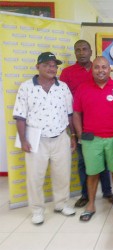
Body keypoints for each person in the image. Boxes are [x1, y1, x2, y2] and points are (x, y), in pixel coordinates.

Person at [13, 52, 76, 225]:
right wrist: (23, 139)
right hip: (36, 138)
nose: (51, 68)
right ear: (38, 67)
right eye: (47, 64)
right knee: (35, 177)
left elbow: (70, 114)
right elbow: (20, 116)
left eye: (54, 65)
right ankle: (37, 210)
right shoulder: (26, 87)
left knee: (62, 175)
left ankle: (61, 204)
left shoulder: (62, 87)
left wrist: (73, 135)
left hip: (61, 137)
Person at [73, 56, 113, 222]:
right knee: (92, 173)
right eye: (97, 67)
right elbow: (76, 113)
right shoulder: (82, 88)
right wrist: (79, 134)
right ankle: (91, 204)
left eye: (104, 67)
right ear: (92, 69)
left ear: (109, 69)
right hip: (91, 139)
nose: (101, 70)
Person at [60, 40, 113, 208]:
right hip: (79, 124)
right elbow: (65, 102)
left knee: (104, 159)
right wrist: (75, 133)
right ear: (75, 52)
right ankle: (85, 195)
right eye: (78, 50)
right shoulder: (67, 73)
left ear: (91, 51)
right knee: (84, 161)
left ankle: (107, 192)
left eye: (84, 49)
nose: (81, 52)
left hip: (101, 123)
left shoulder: (99, 68)